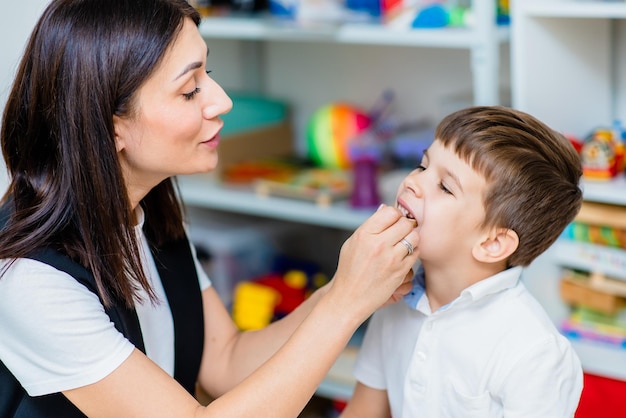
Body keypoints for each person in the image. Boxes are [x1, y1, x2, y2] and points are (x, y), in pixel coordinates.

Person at [0, 1, 421, 417]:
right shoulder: (27, 278)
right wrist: (345, 304)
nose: (221, 102)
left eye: (209, 74)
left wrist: (351, 287)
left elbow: (227, 363)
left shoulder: (144, 209)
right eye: (189, 91)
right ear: (112, 128)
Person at [339, 106, 585, 418]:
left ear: (492, 243)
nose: (413, 182)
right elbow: (363, 411)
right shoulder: (394, 302)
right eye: (422, 165)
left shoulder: (535, 352)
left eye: (444, 186)